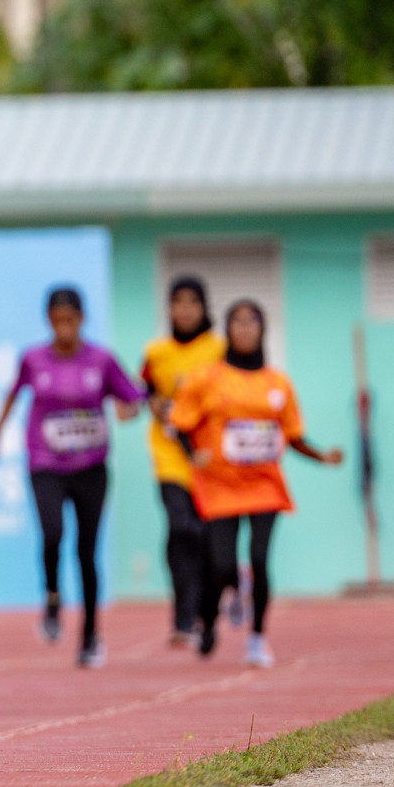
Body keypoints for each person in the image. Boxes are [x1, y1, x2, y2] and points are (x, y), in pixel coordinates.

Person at [171, 300, 342, 668]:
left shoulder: (277, 384)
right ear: (227, 329)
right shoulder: (207, 378)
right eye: (238, 321)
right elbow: (180, 423)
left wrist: (322, 456)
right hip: (220, 484)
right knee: (222, 566)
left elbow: (294, 437)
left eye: (253, 322)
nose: (245, 329)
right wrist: (191, 453)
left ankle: (257, 638)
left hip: (264, 484)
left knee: (261, 560)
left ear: (263, 330)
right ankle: (211, 617)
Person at [0, 287, 143, 668]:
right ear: (49, 321)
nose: (64, 329)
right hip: (46, 463)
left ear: (82, 320)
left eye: (70, 321)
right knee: (53, 533)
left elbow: (132, 396)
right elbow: (12, 395)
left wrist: (128, 410)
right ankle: (53, 597)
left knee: (86, 553)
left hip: (91, 467)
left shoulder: (101, 360)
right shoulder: (34, 359)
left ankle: (90, 635)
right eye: (57, 322)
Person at [139, 276, 224, 648]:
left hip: (208, 457)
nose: (185, 309)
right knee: (181, 528)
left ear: (205, 307)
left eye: (193, 301)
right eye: (178, 301)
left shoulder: (218, 349)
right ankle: (182, 615)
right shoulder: (156, 353)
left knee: (207, 537)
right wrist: (148, 403)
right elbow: (141, 390)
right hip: (169, 456)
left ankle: (209, 610)